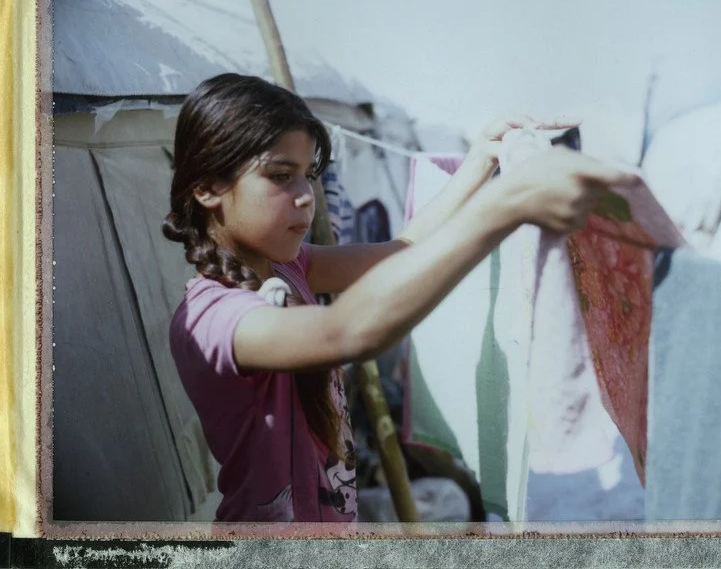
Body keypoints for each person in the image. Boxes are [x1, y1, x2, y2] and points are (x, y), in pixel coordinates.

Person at [163, 73, 637, 523]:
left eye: (308, 174)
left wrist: (481, 162)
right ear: (207, 188)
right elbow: (346, 332)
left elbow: (400, 252)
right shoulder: (213, 319)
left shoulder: (290, 267)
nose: (306, 195)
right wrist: (504, 207)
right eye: (280, 176)